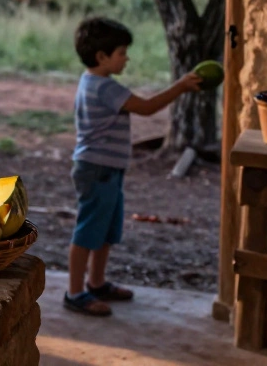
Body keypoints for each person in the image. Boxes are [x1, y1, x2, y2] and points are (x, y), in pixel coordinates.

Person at [64, 17, 202, 316]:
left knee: (105, 230)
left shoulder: (91, 81)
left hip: (105, 169)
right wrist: (181, 86)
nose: (126, 58)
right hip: (97, 170)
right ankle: (75, 292)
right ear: (102, 57)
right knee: (88, 232)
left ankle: (96, 282)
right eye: (122, 53)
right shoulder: (105, 88)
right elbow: (148, 107)